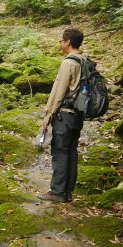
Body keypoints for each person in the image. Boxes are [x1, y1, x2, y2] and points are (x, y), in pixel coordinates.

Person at [38, 28, 87, 203]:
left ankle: (57, 192)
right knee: (71, 152)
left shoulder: (68, 63)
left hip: (64, 115)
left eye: (61, 40)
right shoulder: (84, 60)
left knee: (59, 152)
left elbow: (59, 92)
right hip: (77, 116)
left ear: (67, 42)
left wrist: (48, 116)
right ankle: (67, 192)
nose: (60, 43)